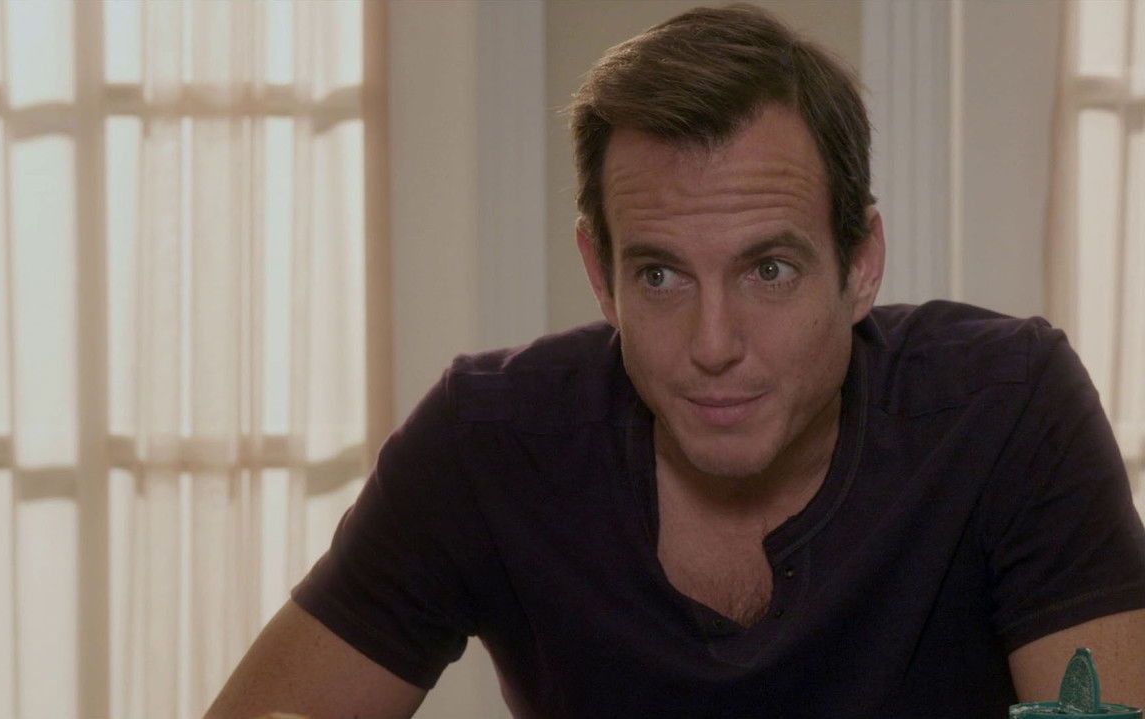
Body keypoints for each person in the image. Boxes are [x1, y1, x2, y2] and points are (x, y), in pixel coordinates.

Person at [205, 5, 1145, 718]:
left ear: (861, 265)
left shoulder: (1008, 406)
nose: (713, 344)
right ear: (600, 275)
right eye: (659, 275)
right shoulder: (488, 439)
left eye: (769, 270)